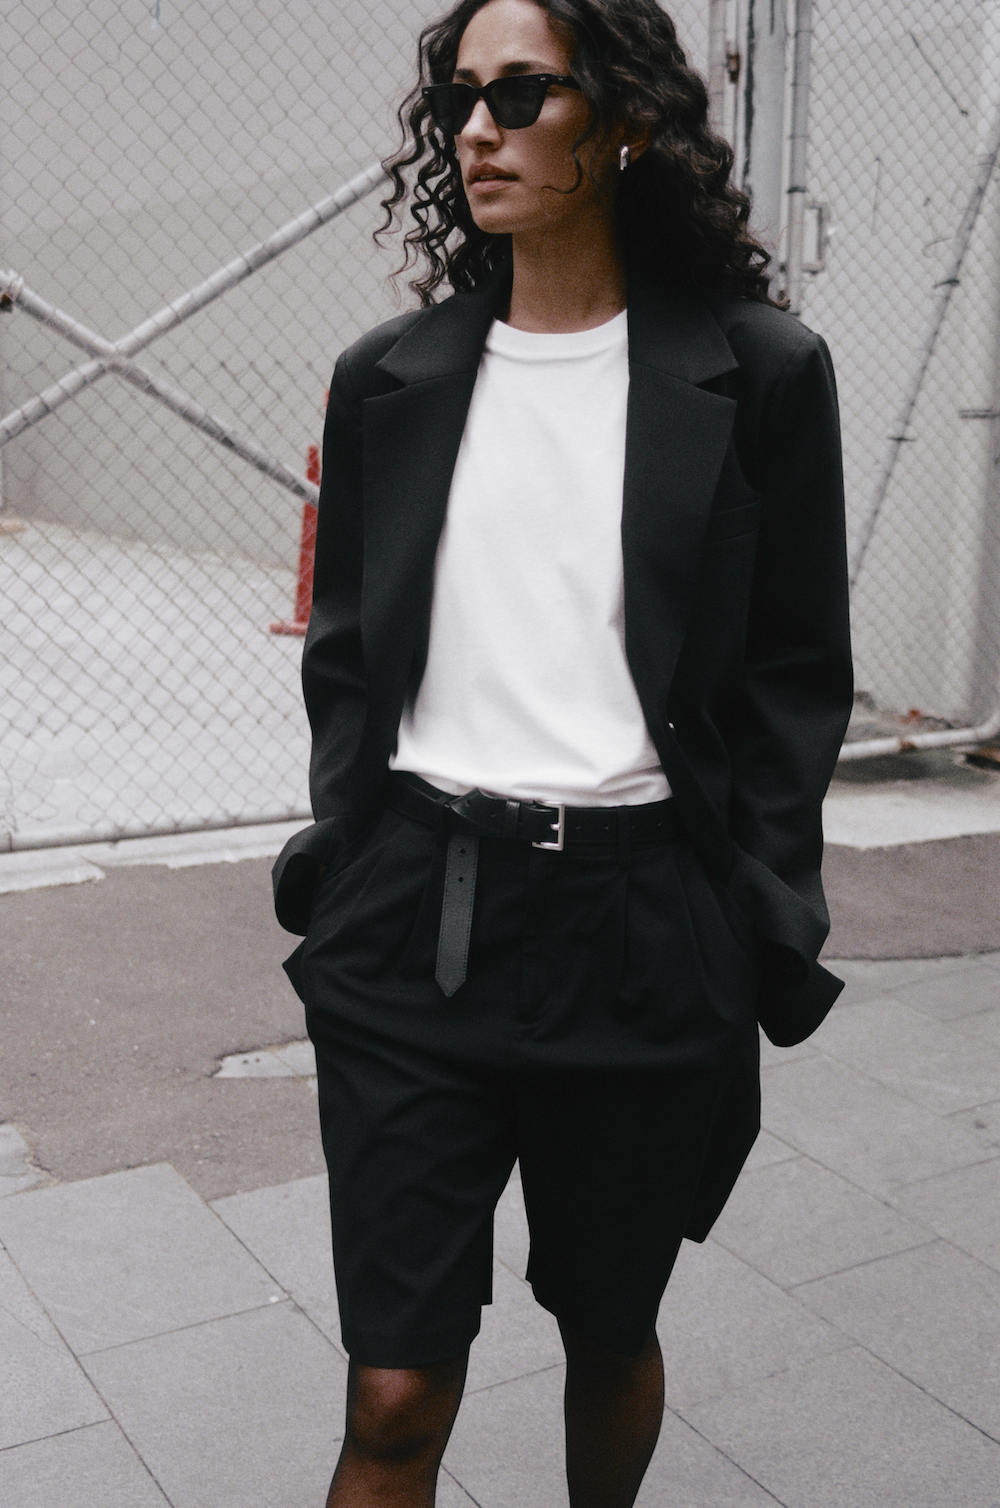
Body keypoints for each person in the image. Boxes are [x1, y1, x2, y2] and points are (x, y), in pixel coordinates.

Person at [273, 0, 852, 1502]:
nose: (479, 129)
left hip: (646, 929)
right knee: (393, 1392)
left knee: (608, 1324)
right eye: (461, 99)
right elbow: (348, 654)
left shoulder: (759, 372)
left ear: (628, 119)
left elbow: (796, 672)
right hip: (414, 922)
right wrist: (353, 855)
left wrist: (752, 907)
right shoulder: (389, 378)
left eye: (523, 94)